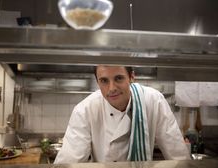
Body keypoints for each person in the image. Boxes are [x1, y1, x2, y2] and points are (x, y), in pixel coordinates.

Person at [54, 65, 191, 163]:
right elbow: (69, 161)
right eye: (104, 81)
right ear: (97, 82)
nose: (112, 88)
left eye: (118, 78)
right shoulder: (85, 110)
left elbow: (178, 154)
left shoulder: (153, 101)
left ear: (132, 77)